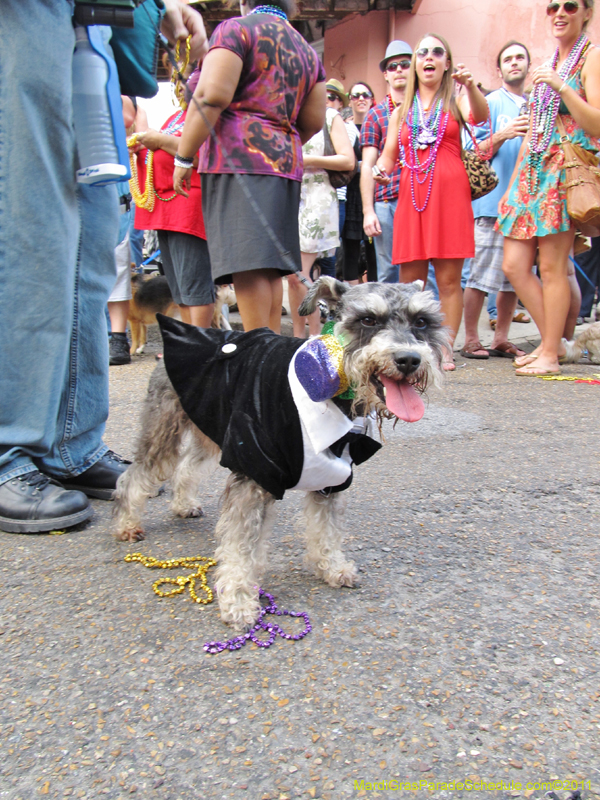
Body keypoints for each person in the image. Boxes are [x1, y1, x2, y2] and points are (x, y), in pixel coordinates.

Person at [0, 0, 208, 534]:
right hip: (28, 16)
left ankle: (72, 442)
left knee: (93, 249)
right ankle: (9, 449)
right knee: (34, 239)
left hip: (93, 28)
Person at [173, 0, 326, 334]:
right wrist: (277, 140)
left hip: (239, 162)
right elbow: (313, 120)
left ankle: (256, 359)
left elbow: (212, 96)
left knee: (248, 267)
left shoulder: (236, 29)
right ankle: (266, 353)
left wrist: (184, 155)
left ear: (244, 1)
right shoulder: (308, 51)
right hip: (284, 167)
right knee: (269, 270)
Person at [498, 0, 600, 376]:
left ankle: (551, 354)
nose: (559, 12)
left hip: (563, 170)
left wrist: (562, 88)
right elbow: (535, 128)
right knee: (514, 264)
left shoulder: (591, 57)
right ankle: (552, 343)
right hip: (532, 170)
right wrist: (512, 186)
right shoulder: (550, 63)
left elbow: (597, 123)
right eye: (552, 6)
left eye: (570, 6)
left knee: (553, 267)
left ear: (587, 12)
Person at [376, 34, 489, 370]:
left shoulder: (455, 101)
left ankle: (443, 349)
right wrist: (379, 172)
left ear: (446, 63)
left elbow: (480, 117)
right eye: (422, 52)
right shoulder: (401, 112)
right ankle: (411, 347)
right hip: (414, 198)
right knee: (411, 280)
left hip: (451, 198)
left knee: (450, 280)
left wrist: (471, 86)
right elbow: (387, 157)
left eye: (437, 52)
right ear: (415, 64)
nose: (428, 57)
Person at [460, 41, 531, 361]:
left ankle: (502, 337)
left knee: (512, 278)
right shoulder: (489, 104)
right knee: (479, 276)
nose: (515, 63)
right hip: (491, 206)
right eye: (508, 59)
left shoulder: (534, 104)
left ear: (528, 65)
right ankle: (472, 339)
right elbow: (472, 153)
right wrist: (505, 134)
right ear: (499, 69)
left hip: (526, 206)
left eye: (520, 58)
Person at [132, 75, 215, 330]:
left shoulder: (206, 112)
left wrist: (159, 141)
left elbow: (207, 155)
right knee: (180, 292)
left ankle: (200, 351)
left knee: (194, 289)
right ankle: (193, 348)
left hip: (189, 206)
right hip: (167, 209)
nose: (181, 84)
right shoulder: (178, 115)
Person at [291, 87, 355, 337]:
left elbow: (348, 160)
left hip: (316, 197)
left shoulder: (329, 116)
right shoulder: (285, 114)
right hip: (287, 196)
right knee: (292, 276)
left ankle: (314, 336)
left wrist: (304, 160)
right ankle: (300, 338)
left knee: (299, 274)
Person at [361, 41, 413, 283]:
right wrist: (368, 210)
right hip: (387, 202)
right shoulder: (376, 113)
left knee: (425, 271)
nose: (399, 70)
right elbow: (368, 164)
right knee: (389, 272)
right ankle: (387, 322)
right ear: (386, 74)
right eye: (393, 66)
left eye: (405, 64)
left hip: (421, 198)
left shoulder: (427, 108)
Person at [342, 82, 378, 285]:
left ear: (372, 99)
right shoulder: (345, 129)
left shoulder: (379, 125)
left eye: (365, 94)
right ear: (350, 100)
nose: (361, 98)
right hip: (350, 195)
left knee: (374, 252)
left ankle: (375, 298)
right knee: (350, 250)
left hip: (375, 195)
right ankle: (351, 303)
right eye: (356, 95)